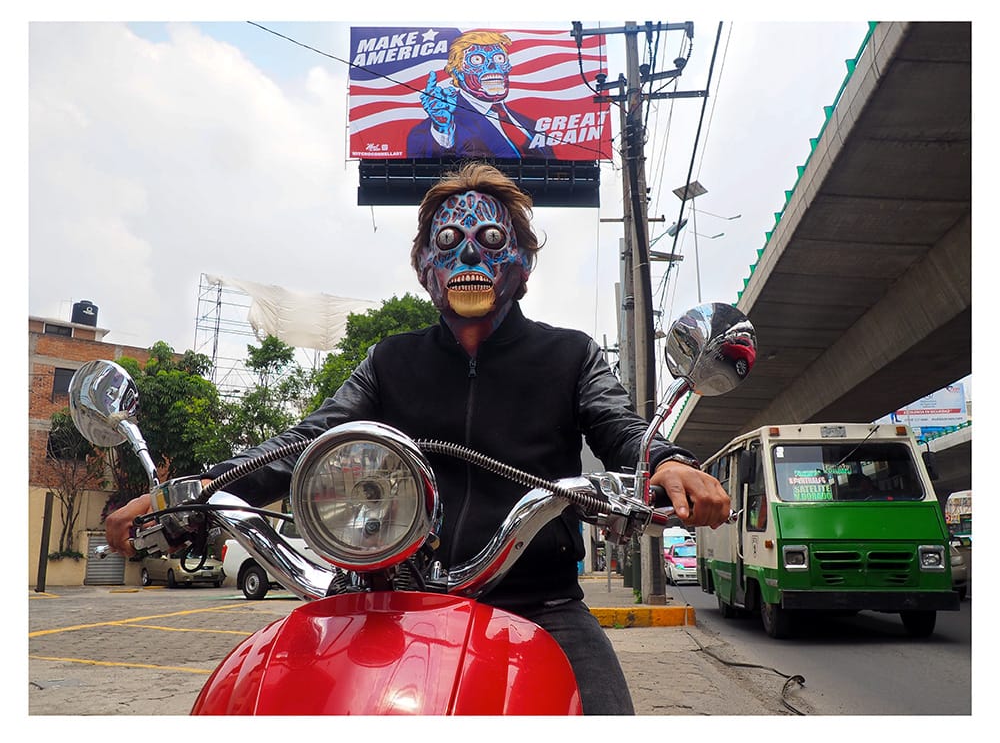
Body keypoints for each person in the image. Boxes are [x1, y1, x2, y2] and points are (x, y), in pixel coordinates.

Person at [105, 161, 732, 715]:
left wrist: (667, 463)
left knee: (604, 714)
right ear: (424, 266)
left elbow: (621, 427)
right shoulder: (390, 361)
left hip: (540, 601)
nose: (469, 258)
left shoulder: (570, 356)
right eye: (448, 242)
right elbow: (308, 441)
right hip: (394, 600)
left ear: (522, 262)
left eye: (492, 241)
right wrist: (192, 495)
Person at [406, 30, 555, 159]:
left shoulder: (531, 125)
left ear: (508, 67)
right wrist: (443, 129)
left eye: (499, 58)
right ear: (457, 72)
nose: (492, 65)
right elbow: (422, 150)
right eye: (477, 59)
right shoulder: (442, 122)